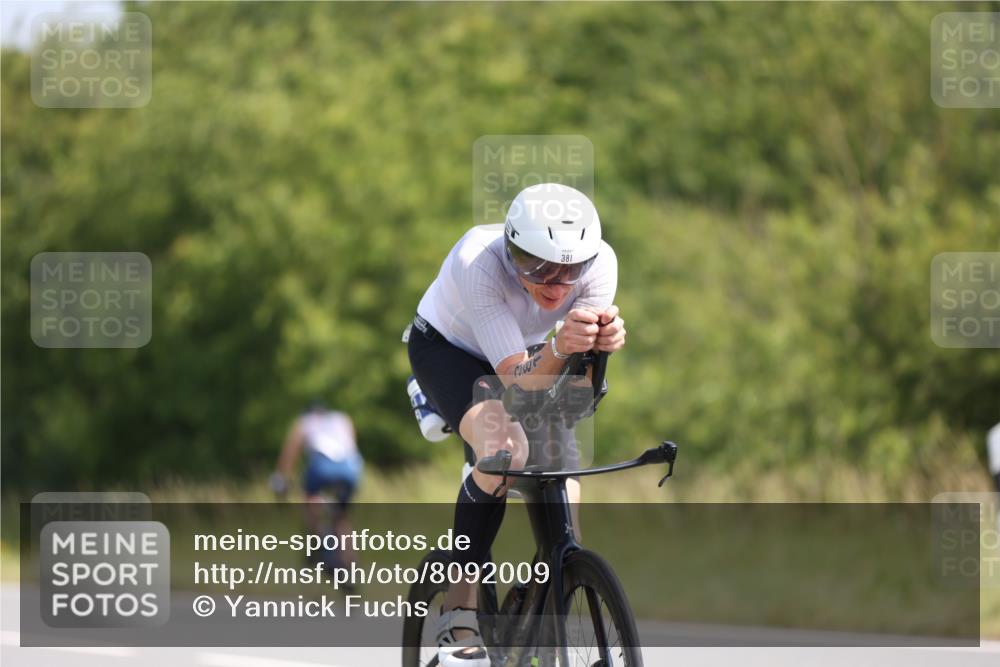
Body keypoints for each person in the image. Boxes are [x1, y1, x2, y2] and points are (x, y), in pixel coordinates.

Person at [407, 183, 626, 667]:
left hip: (528, 352)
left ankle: (548, 591)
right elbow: (514, 381)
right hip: (452, 349)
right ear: (511, 248)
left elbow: (577, 394)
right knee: (504, 449)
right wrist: (561, 348)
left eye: (571, 269)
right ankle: (456, 614)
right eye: (539, 267)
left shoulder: (601, 264)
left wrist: (598, 350)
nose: (556, 283)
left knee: (564, 478)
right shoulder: (478, 262)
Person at [272, 401, 364, 568]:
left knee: (310, 497)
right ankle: (351, 563)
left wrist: (280, 479)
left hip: (322, 467)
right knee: (341, 516)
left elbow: (290, 453)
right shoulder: (342, 419)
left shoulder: (305, 422)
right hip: (350, 469)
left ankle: (316, 543)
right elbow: (351, 446)